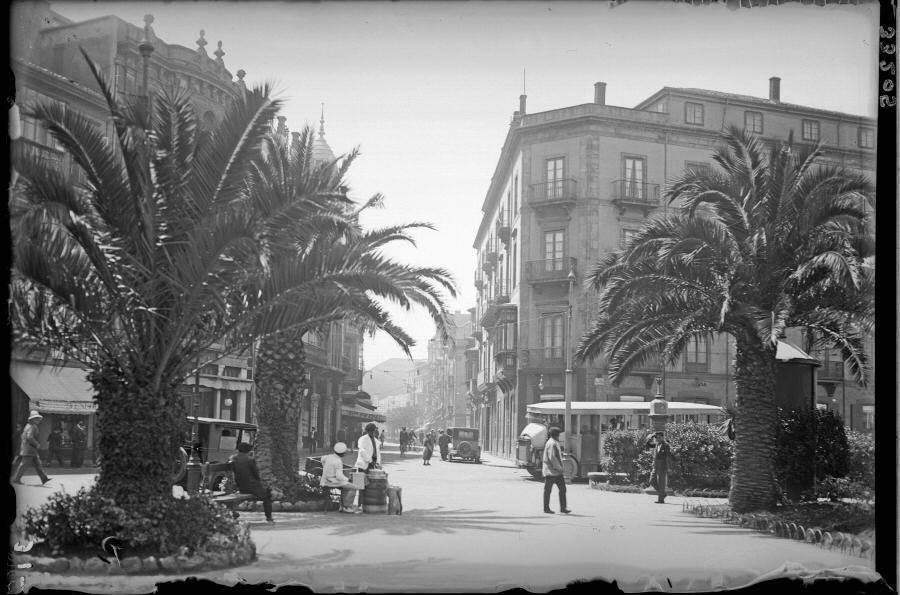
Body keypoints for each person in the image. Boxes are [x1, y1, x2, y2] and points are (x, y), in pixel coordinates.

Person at [228, 442, 274, 522]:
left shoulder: (232, 458)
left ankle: (233, 512)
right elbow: (256, 475)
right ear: (248, 451)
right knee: (267, 494)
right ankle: (269, 517)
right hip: (252, 487)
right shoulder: (250, 460)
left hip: (240, 486)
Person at [320, 442, 361, 513]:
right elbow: (339, 476)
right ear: (342, 454)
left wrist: (325, 466)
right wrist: (348, 479)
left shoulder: (328, 456)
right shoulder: (338, 461)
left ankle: (342, 506)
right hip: (332, 482)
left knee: (347, 486)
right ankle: (346, 507)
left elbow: (322, 459)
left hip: (324, 480)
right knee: (354, 487)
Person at [13, 411, 51, 485]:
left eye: (38, 419)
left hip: (30, 449)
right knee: (24, 465)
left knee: (38, 464)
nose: (38, 420)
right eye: (36, 419)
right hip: (29, 449)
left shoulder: (28, 426)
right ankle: (16, 479)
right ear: (32, 419)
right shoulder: (32, 426)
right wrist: (37, 444)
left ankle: (44, 478)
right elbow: (29, 437)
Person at [542, 427, 570, 514]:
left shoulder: (553, 442)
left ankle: (563, 508)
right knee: (548, 490)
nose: (559, 436)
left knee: (562, 489)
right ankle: (546, 508)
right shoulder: (552, 444)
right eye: (559, 435)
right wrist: (560, 468)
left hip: (555, 472)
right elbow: (552, 458)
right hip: (552, 471)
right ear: (556, 435)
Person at [354, 423, 382, 509]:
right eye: (371, 431)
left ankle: (367, 503)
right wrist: (370, 460)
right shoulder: (363, 439)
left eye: (374, 431)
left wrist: (378, 462)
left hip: (372, 465)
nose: (373, 433)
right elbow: (362, 451)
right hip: (363, 464)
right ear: (368, 431)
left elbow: (377, 453)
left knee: (370, 485)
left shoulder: (375, 440)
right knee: (361, 485)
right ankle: (359, 504)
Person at [645, 431, 673, 504]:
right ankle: (663, 494)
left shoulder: (666, 445)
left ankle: (661, 499)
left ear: (663, 437)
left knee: (661, 483)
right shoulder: (657, 444)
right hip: (656, 465)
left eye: (659, 437)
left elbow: (668, 456)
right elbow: (647, 445)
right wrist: (651, 436)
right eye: (656, 437)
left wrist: (669, 467)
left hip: (663, 466)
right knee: (652, 481)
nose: (658, 439)